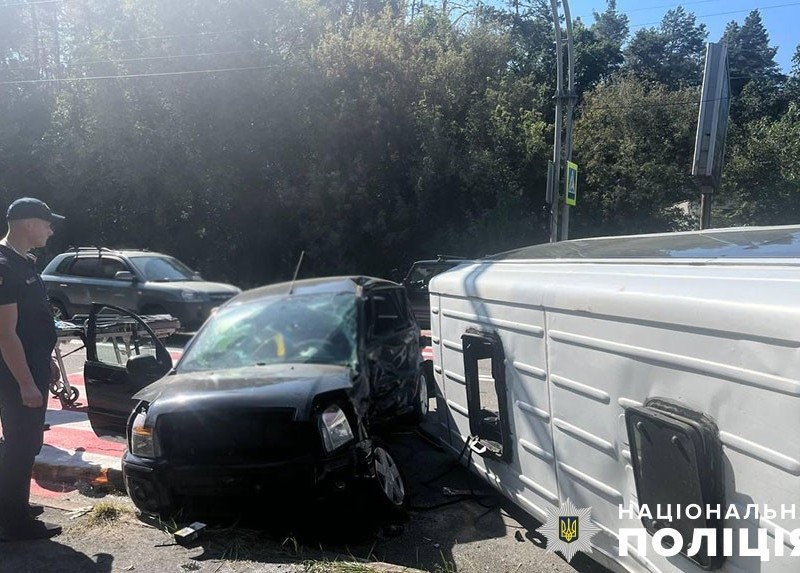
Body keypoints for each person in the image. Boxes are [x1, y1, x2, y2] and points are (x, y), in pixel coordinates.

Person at [0, 197, 65, 541]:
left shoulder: (22, 262)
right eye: (47, 223)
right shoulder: (4, 266)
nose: (50, 229)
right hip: (15, 371)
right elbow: (6, 334)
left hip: (33, 363)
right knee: (21, 443)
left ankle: (14, 503)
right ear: (28, 224)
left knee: (27, 441)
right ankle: (14, 522)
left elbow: (34, 322)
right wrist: (26, 382)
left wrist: (48, 360)